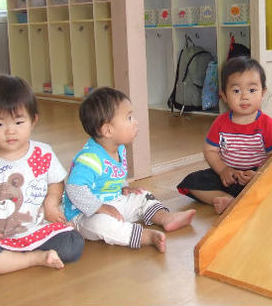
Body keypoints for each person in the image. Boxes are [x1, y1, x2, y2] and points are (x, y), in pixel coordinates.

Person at [0, 75, 84, 275]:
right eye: (0, 124)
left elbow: (56, 182)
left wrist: (50, 204)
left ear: (33, 120)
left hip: (38, 230)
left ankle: (16, 259)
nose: (10, 131)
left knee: (73, 243)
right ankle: (32, 259)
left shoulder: (42, 153)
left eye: (19, 122)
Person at [63, 87, 195, 253]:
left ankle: (165, 218)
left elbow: (113, 175)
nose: (135, 122)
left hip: (114, 203)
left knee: (141, 196)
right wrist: (100, 208)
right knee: (101, 225)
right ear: (108, 130)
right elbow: (74, 189)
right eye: (129, 118)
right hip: (85, 214)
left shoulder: (119, 149)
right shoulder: (90, 158)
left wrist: (124, 186)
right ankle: (144, 236)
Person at [177, 57, 272, 214]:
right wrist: (223, 170)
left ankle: (246, 198)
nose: (244, 96)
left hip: (256, 175)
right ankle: (231, 201)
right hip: (228, 176)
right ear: (224, 96)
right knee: (192, 182)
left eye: (252, 90)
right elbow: (210, 151)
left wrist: (260, 174)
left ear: (263, 93)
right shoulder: (220, 122)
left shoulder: (266, 123)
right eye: (236, 91)